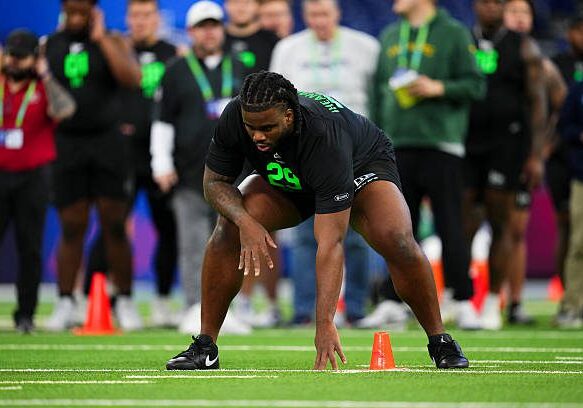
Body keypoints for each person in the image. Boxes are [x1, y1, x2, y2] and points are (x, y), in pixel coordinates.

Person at [165, 71, 469, 370]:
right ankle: (205, 347)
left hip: (359, 166)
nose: (257, 135)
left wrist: (324, 324)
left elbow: (330, 243)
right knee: (227, 227)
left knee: (396, 239)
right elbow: (214, 183)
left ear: (288, 116)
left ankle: (439, 340)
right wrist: (245, 221)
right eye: (251, 128)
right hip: (293, 175)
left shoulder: (324, 137)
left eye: (266, 127)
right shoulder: (235, 116)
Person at [361, 0, 485, 330]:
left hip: (441, 143)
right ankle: (391, 300)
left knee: (450, 224)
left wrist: (438, 87)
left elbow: (476, 84)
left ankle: (462, 299)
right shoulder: (389, 35)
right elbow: (377, 92)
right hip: (394, 146)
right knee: (395, 227)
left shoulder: (454, 34)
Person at [269, 0, 379, 326]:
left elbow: (378, 97)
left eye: (325, 14)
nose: (320, 21)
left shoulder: (366, 47)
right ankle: (305, 311)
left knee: (357, 233)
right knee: (305, 235)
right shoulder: (288, 49)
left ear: (338, 14)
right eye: (313, 15)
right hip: (304, 156)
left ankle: (357, 309)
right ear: (305, 16)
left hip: (354, 154)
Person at [150, 0, 250, 335]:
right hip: (190, 173)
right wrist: (161, 162)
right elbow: (163, 121)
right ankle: (195, 308)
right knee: (193, 244)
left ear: (222, 28)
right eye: (202, 26)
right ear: (191, 32)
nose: (209, 32)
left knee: (230, 244)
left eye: (214, 25)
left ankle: (228, 310)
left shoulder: (240, 67)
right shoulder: (177, 70)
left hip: (233, 176)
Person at [44, 0, 143, 331]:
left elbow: (132, 78)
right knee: (72, 225)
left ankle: (125, 300)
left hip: (107, 142)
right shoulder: (51, 44)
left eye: (82, 10)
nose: (76, 16)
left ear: (93, 11)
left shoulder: (112, 40)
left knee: (114, 224)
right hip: (67, 143)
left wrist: (100, 37)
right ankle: (65, 301)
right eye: (70, 10)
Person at [85, 0, 179, 328]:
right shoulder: (114, 49)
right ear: (127, 19)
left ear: (157, 19)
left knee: (168, 227)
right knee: (112, 225)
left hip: (160, 156)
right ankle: (92, 295)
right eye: (134, 16)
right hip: (121, 153)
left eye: (146, 15)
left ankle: (163, 299)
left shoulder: (173, 53)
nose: (140, 22)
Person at [465, 0, 546, 330]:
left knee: (500, 224)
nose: (490, 8)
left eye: (497, 3)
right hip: (466, 145)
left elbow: (538, 101)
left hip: (507, 147)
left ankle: (493, 303)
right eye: (485, 2)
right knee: (462, 224)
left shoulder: (522, 46)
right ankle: (461, 297)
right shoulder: (463, 41)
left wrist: (535, 154)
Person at [0, 29, 76, 333]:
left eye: (22, 56)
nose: (15, 61)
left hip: (34, 176)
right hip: (0, 174)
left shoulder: (44, 87)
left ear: (35, 58)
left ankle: (25, 315)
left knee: (29, 247)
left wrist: (45, 75)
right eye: (11, 54)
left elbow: (66, 110)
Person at [502, 0, 567, 325]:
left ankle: (514, 303)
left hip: (521, 158)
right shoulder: (487, 56)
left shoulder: (541, 66)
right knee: (469, 224)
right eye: (512, 12)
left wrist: (543, 148)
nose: (517, 18)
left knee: (515, 230)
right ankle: (471, 300)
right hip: (484, 153)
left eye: (524, 13)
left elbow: (563, 107)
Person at [549, 15, 583, 309]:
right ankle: (571, 302)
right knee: (573, 233)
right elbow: (564, 124)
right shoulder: (561, 67)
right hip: (572, 166)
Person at [556, 80, 583, 328]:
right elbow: (564, 128)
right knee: (578, 243)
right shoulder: (578, 89)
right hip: (581, 178)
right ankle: (572, 305)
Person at [224, 0, 280, 72]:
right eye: (235, 2)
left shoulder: (272, 41)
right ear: (226, 5)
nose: (241, 9)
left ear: (257, 6)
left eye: (247, 3)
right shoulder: (216, 40)